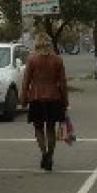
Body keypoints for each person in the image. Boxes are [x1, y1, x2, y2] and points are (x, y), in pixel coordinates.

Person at [20, 32, 69, 171]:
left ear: (36, 44)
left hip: (36, 97)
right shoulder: (57, 60)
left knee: (38, 128)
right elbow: (63, 83)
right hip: (54, 97)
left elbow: (26, 81)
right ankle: (50, 155)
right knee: (51, 129)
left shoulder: (32, 59)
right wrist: (65, 101)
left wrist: (23, 98)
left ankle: (44, 153)